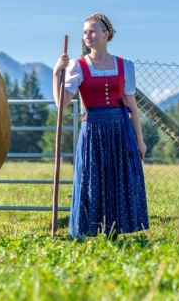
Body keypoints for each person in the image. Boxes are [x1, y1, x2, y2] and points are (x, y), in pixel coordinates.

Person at [53, 13, 149, 239]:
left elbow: (131, 104)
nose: (88, 36)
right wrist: (57, 72)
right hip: (93, 129)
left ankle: (114, 232)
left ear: (106, 34)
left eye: (92, 31)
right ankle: (87, 231)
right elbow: (62, 103)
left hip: (119, 129)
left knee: (119, 178)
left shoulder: (125, 65)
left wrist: (140, 140)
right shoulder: (78, 66)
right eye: (85, 32)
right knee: (91, 178)